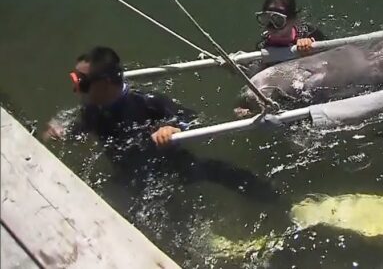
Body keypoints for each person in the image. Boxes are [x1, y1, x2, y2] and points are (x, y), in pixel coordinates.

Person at [42, 46, 276, 200]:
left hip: (169, 167)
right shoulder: (92, 109)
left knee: (216, 170)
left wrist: (172, 127)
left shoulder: (148, 103)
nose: (75, 88)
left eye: (80, 82)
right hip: (132, 178)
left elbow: (193, 118)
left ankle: (279, 202)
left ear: (104, 83)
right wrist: (59, 134)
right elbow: (77, 131)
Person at [255, 0, 326, 53]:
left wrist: (313, 48)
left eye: (279, 20)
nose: (272, 25)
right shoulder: (263, 47)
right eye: (267, 18)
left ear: (293, 19)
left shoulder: (310, 33)